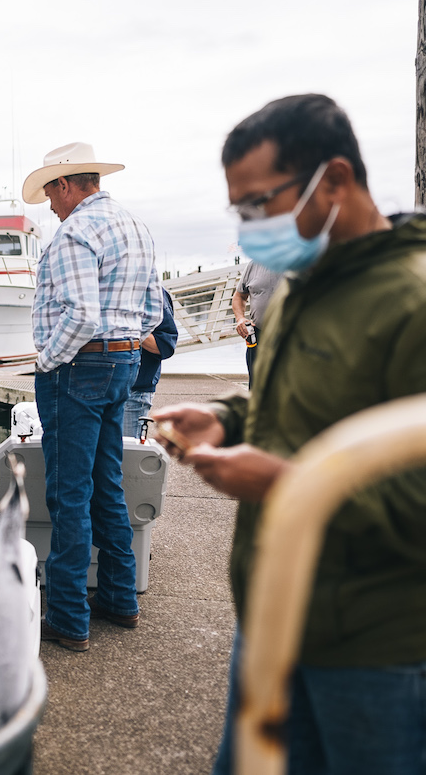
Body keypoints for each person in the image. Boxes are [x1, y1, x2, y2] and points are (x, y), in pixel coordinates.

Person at [151, 94, 426, 775]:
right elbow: (291, 407)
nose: (248, 228)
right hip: (278, 615)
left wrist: (286, 485)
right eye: (238, 211)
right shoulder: (308, 282)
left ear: (333, 181)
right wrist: (222, 418)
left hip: (376, 651)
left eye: (258, 205)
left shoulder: (411, 303)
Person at [21, 142, 163, 653]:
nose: (50, 207)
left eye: (50, 195)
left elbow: (80, 316)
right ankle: (121, 599)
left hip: (76, 368)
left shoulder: (74, 232)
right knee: (107, 482)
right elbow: (152, 313)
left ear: (66, 184)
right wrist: (123, 344)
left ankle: (67, 618)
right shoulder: (135, 228)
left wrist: (46, 360)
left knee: (69, 493)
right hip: (123, 362)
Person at [122, 287, 177, 439]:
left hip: (134, 391)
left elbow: (164, 345)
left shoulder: (154, 292)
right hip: (95, 387)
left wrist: (127, 324)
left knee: (128, 456)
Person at [230, 260, 282, 386]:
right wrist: (240, 319)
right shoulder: (254, 264)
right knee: (256, 387)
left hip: (291, 338)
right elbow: (239, 297)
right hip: (258, 335)